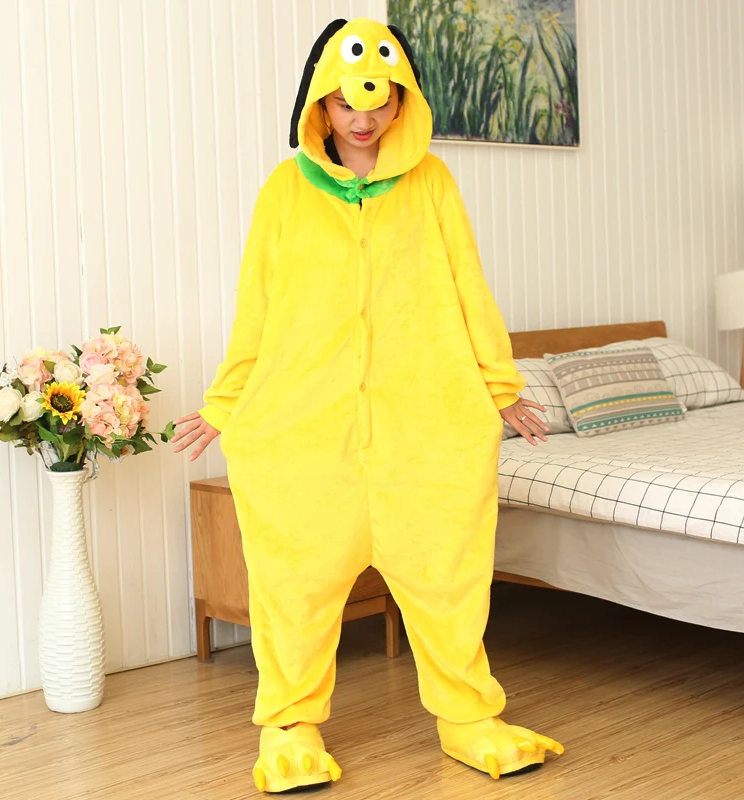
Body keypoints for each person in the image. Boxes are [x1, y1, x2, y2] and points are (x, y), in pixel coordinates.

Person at [172, 17, 562, 794]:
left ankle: (468, 716)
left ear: (400, 102)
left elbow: (468, 286)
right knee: (296, 582)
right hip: (307, 426)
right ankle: (291, 726)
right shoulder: (285, 190)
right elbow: (257, 306)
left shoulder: (433, 182)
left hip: (425, 425)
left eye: (378, 102)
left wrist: (500, 386)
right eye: (347, 102)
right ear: (322, 102)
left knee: (447, 577)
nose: (361, 117)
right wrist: (226, 401)